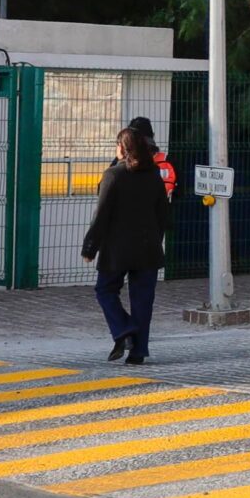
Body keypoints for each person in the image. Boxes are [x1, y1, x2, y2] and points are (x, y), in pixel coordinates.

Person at [83, 126, 172, 366]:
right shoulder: (153, 174)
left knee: (105, 290)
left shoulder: (113, 175)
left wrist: (90, 247)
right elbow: (163, 213)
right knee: (143, 299)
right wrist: (155, 238)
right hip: (148, 249)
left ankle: (125, 329)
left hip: (116, 250)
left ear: (122, 148)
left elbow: (101, 216)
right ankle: (138, 351)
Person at [125, 116, 178, 202]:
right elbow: (180, 190)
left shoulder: (125, 161)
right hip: (161, 212)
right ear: (153, 135)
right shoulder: (167, 160)